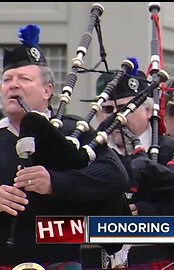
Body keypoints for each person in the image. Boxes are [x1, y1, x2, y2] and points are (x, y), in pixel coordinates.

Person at [0, 24, 129, 268]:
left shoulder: (72, 131)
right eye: (7, 79)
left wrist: (55, 183)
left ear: (48, 90)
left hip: (59, 258)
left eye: (24, 78)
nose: (13, 85)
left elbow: (115, 176)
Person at [89, 68, 174, 269]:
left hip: (165, 261)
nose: (117, 117)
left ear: (147, 110)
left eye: (127, 108)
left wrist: (150, 213)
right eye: (109, 110)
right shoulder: (91, 156)